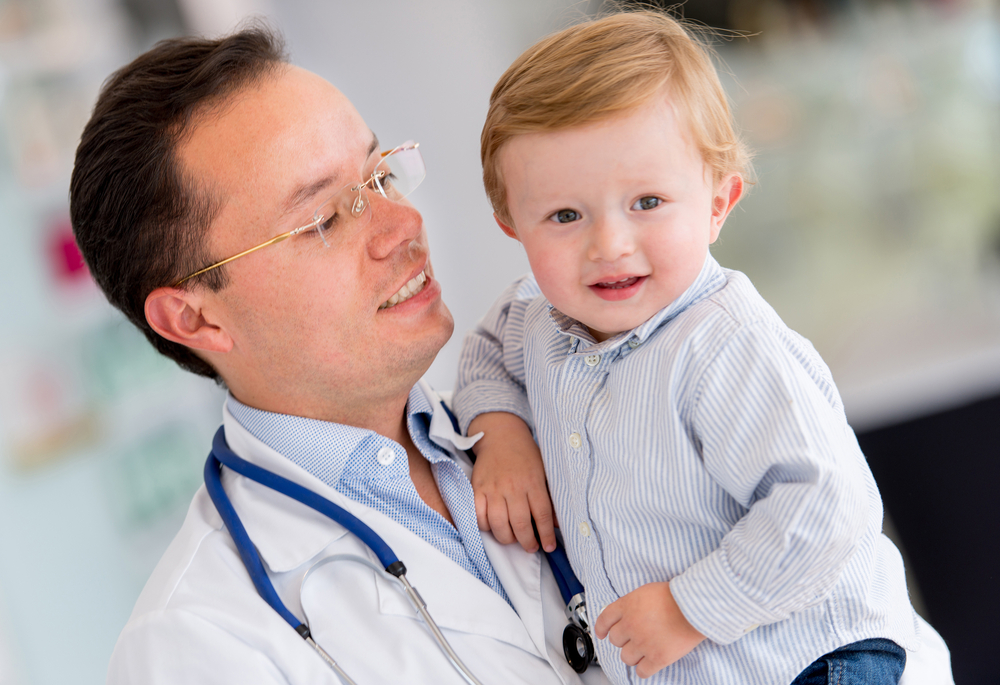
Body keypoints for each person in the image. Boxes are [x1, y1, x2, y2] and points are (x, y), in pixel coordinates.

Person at [70, 26, 610, 685]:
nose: (402, 223)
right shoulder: (198, 644)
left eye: (381, 173)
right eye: (325, 217)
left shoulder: (549, 405)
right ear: (196, 316)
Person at [454, 10, 953, 685]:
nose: (610, 244)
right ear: (512, 223)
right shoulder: (532, 322)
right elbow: (487, 351)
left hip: (812, 657)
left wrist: (688, 608)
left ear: (719, 202)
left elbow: (824, 507)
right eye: (565, 215)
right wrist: (499, 430)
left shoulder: (723, 345)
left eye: (648, 201)